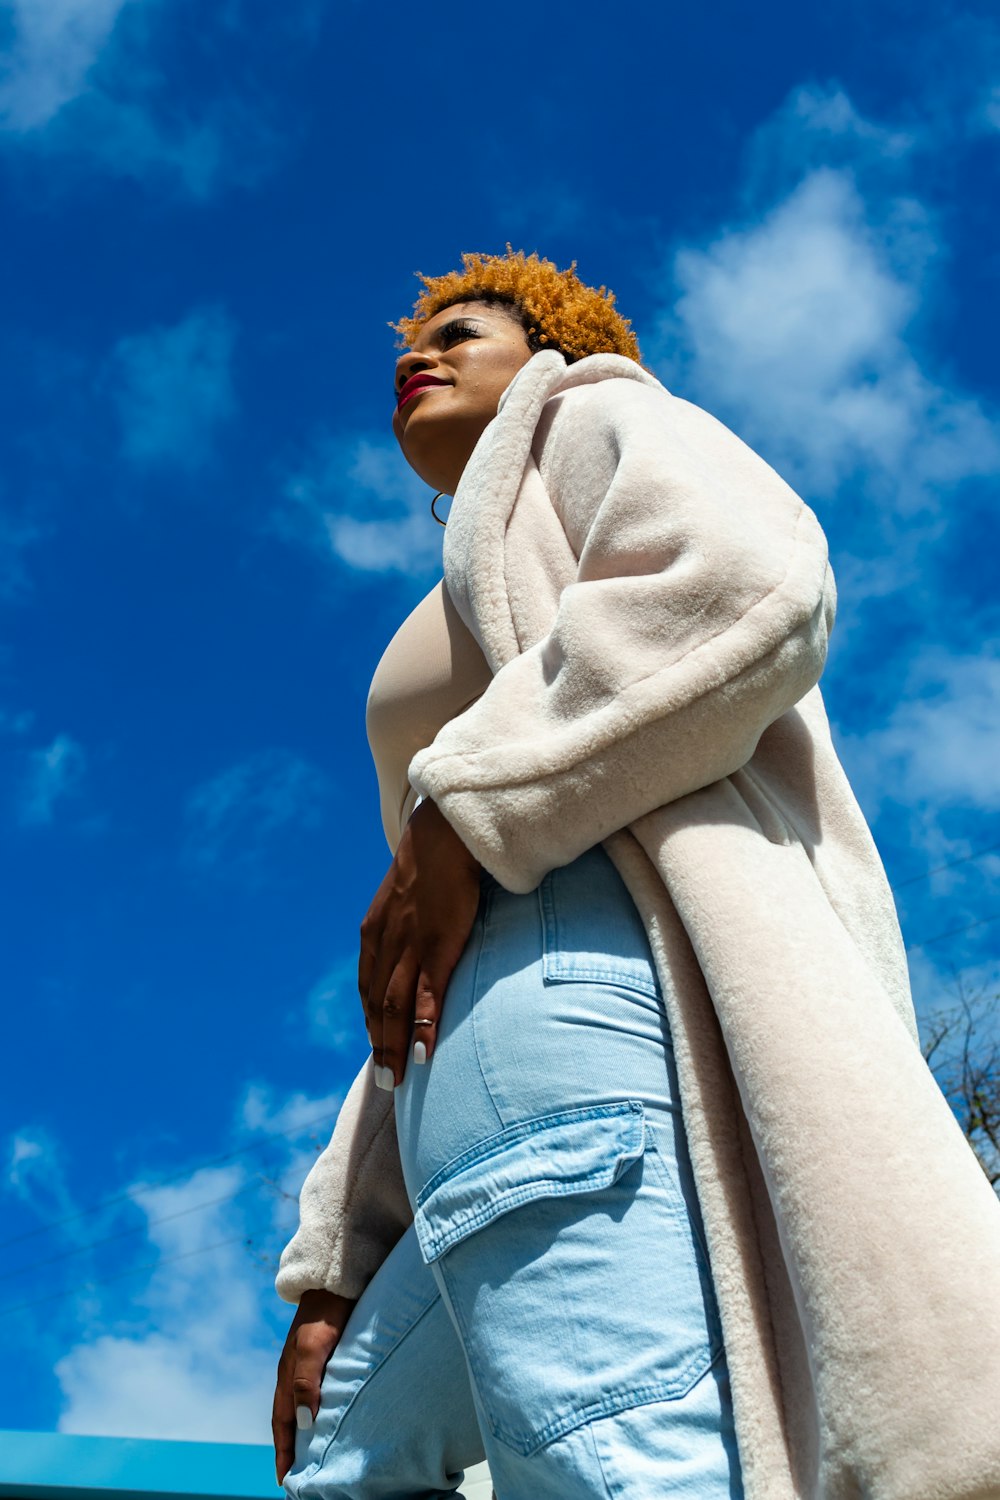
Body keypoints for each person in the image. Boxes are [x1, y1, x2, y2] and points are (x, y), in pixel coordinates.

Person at [272, 251, 1000, 1500]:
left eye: (463, 328)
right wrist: (342, 1256)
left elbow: (740, 583)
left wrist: (467, 812)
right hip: (478, 1036)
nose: (419, 352)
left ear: (548, 343)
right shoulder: (479, 566)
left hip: (584, 976)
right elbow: (429, 942)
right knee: (350, 1453)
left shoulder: (591, 414)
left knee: (617, 1462)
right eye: (412, 340)